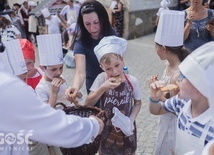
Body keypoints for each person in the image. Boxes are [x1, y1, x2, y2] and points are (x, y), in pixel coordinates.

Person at [0, 38, 104, 155]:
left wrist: (75, 95)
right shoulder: (33, 89)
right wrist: (92, 126)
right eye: (53, 69)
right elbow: (48, 121)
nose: (58, 72)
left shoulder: (23, 90)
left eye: (25, 78)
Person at [148, 41, 214, 155]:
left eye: (183, 77)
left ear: (199, 87)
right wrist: (154, 98)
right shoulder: (180, 102)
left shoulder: (211, 125)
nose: (178, 80)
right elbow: (156, 110)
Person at [85, 36, 142, 154]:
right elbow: (88, 102)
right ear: (102, 67)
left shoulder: (132, 81)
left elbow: (138, 103)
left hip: (126, 127)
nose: (114, 72)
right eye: (108, 69)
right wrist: (102, 88)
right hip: (106, 128)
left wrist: (131, 120)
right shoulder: (101, 79)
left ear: (122, 60)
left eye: (117, 65)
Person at [151, 10, 190, 155]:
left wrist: (156, 92)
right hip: (164, 119)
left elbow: (174, 108)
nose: (155, 50)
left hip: (172, 124)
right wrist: (159, 84)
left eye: (156, 47)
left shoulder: (177, 76)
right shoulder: (167, 65)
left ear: (164, 48)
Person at [65, 0, 115, 107]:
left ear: (103, 19)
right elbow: (80, 72)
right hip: (94, 86)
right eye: (87, 24)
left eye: (96, 22)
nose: (92, 28)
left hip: (113, 81)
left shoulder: (110, 33)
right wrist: (75, 87)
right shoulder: (81, 42)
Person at [36, 34, 74, 108]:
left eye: (61, 68)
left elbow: (72, 99)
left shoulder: (62, 77)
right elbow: (46, 113)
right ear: (42, 68)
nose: (59, 72)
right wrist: (53, 93)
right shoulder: (41, 89)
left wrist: (74, 93)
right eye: (53, 69)